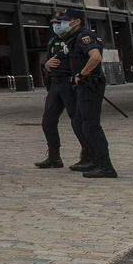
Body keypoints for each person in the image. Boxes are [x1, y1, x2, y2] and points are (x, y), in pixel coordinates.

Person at [36, 16, 87, 171]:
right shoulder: (52, 41)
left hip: (69, 83)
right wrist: (47, 65)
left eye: (59, 23)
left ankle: (87, 155)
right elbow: (49, 64)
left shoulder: (75, 39)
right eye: (54, 24)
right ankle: (54, 156)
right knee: (48, 121)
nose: (57, 26)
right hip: (55, 84)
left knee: (77, 121)